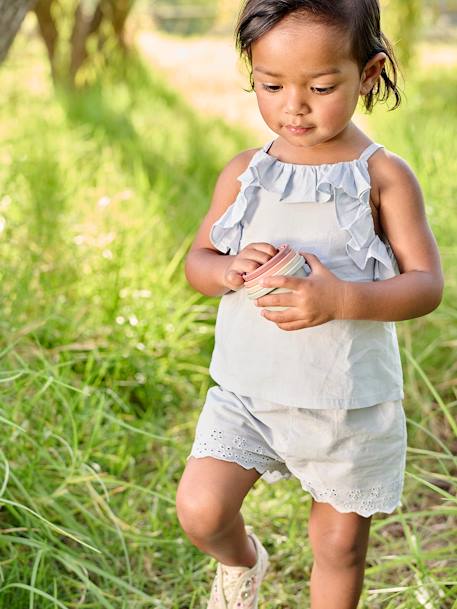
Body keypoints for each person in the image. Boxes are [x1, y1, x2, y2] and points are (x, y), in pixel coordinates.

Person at [175, 1, 444, 608]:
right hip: (249, 391)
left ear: (368, 75)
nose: (293, 105)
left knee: (339, 546)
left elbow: (426, 284)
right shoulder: (247, 173)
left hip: (347, 401)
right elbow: (197, 261)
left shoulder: (383, 177)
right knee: (201, 508)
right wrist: (226, 269)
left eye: (321, 87)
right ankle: (242, 563)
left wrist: (342, 296)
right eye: (271, 85)